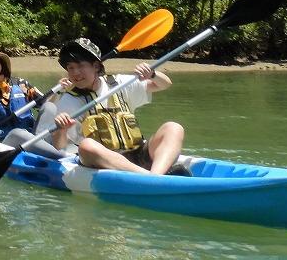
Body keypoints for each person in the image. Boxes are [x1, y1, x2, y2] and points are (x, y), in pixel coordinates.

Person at [35, 36, 186, 175]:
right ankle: (150, 177)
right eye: (70, 68)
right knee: (86, 146)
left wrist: (152, 74)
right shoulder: (69, 100)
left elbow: (164, 84)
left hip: (138, 153)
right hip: (103, 163)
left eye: (80, 66)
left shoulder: (119, 83)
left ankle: (157, 175)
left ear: (96, 66)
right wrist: (61, 129)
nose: (75, 73)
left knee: (173, 127)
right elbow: (59, 146)